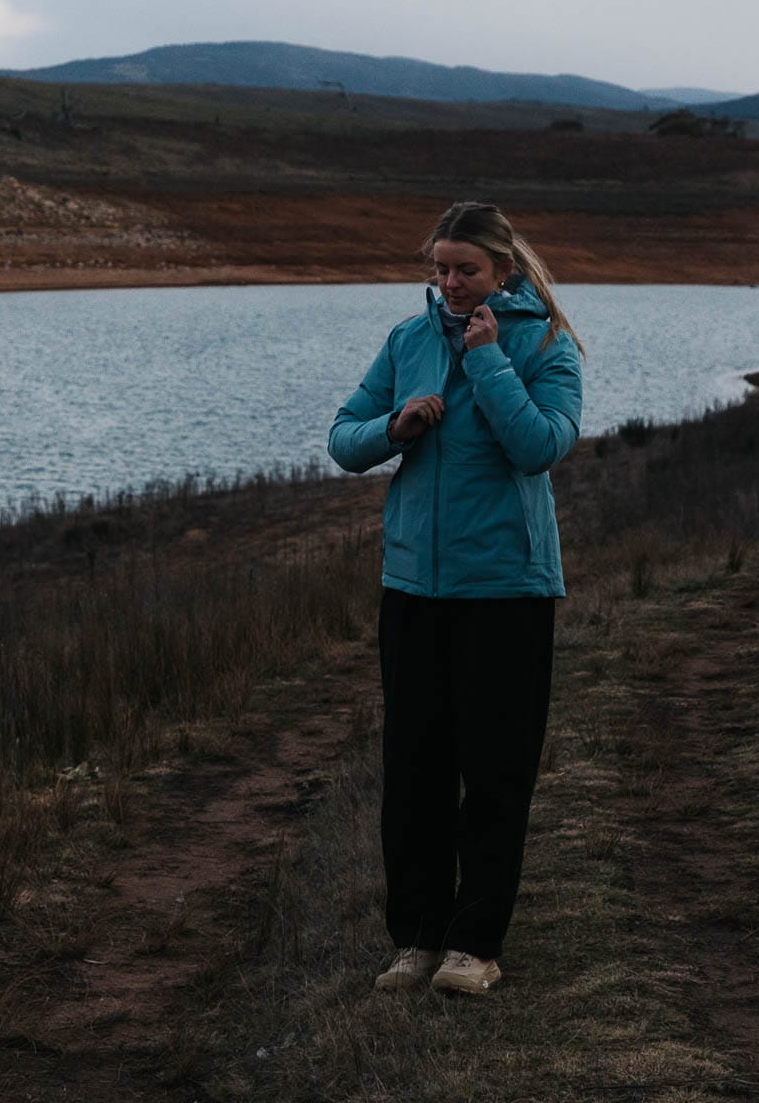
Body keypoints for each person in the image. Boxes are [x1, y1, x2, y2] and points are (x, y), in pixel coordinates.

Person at [327, 200, 584, 996]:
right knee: (414, 774)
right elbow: (343, 436)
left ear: (501, 272)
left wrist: (486, 363)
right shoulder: (407, 340)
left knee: (496, 773)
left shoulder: (544, 342)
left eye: (465, 270)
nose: (449, 283)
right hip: (413, 588)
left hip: (506, 589)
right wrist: (394, 428)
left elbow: (542, 447)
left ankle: (475, 947)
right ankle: (417, 941)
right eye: (439, 269)